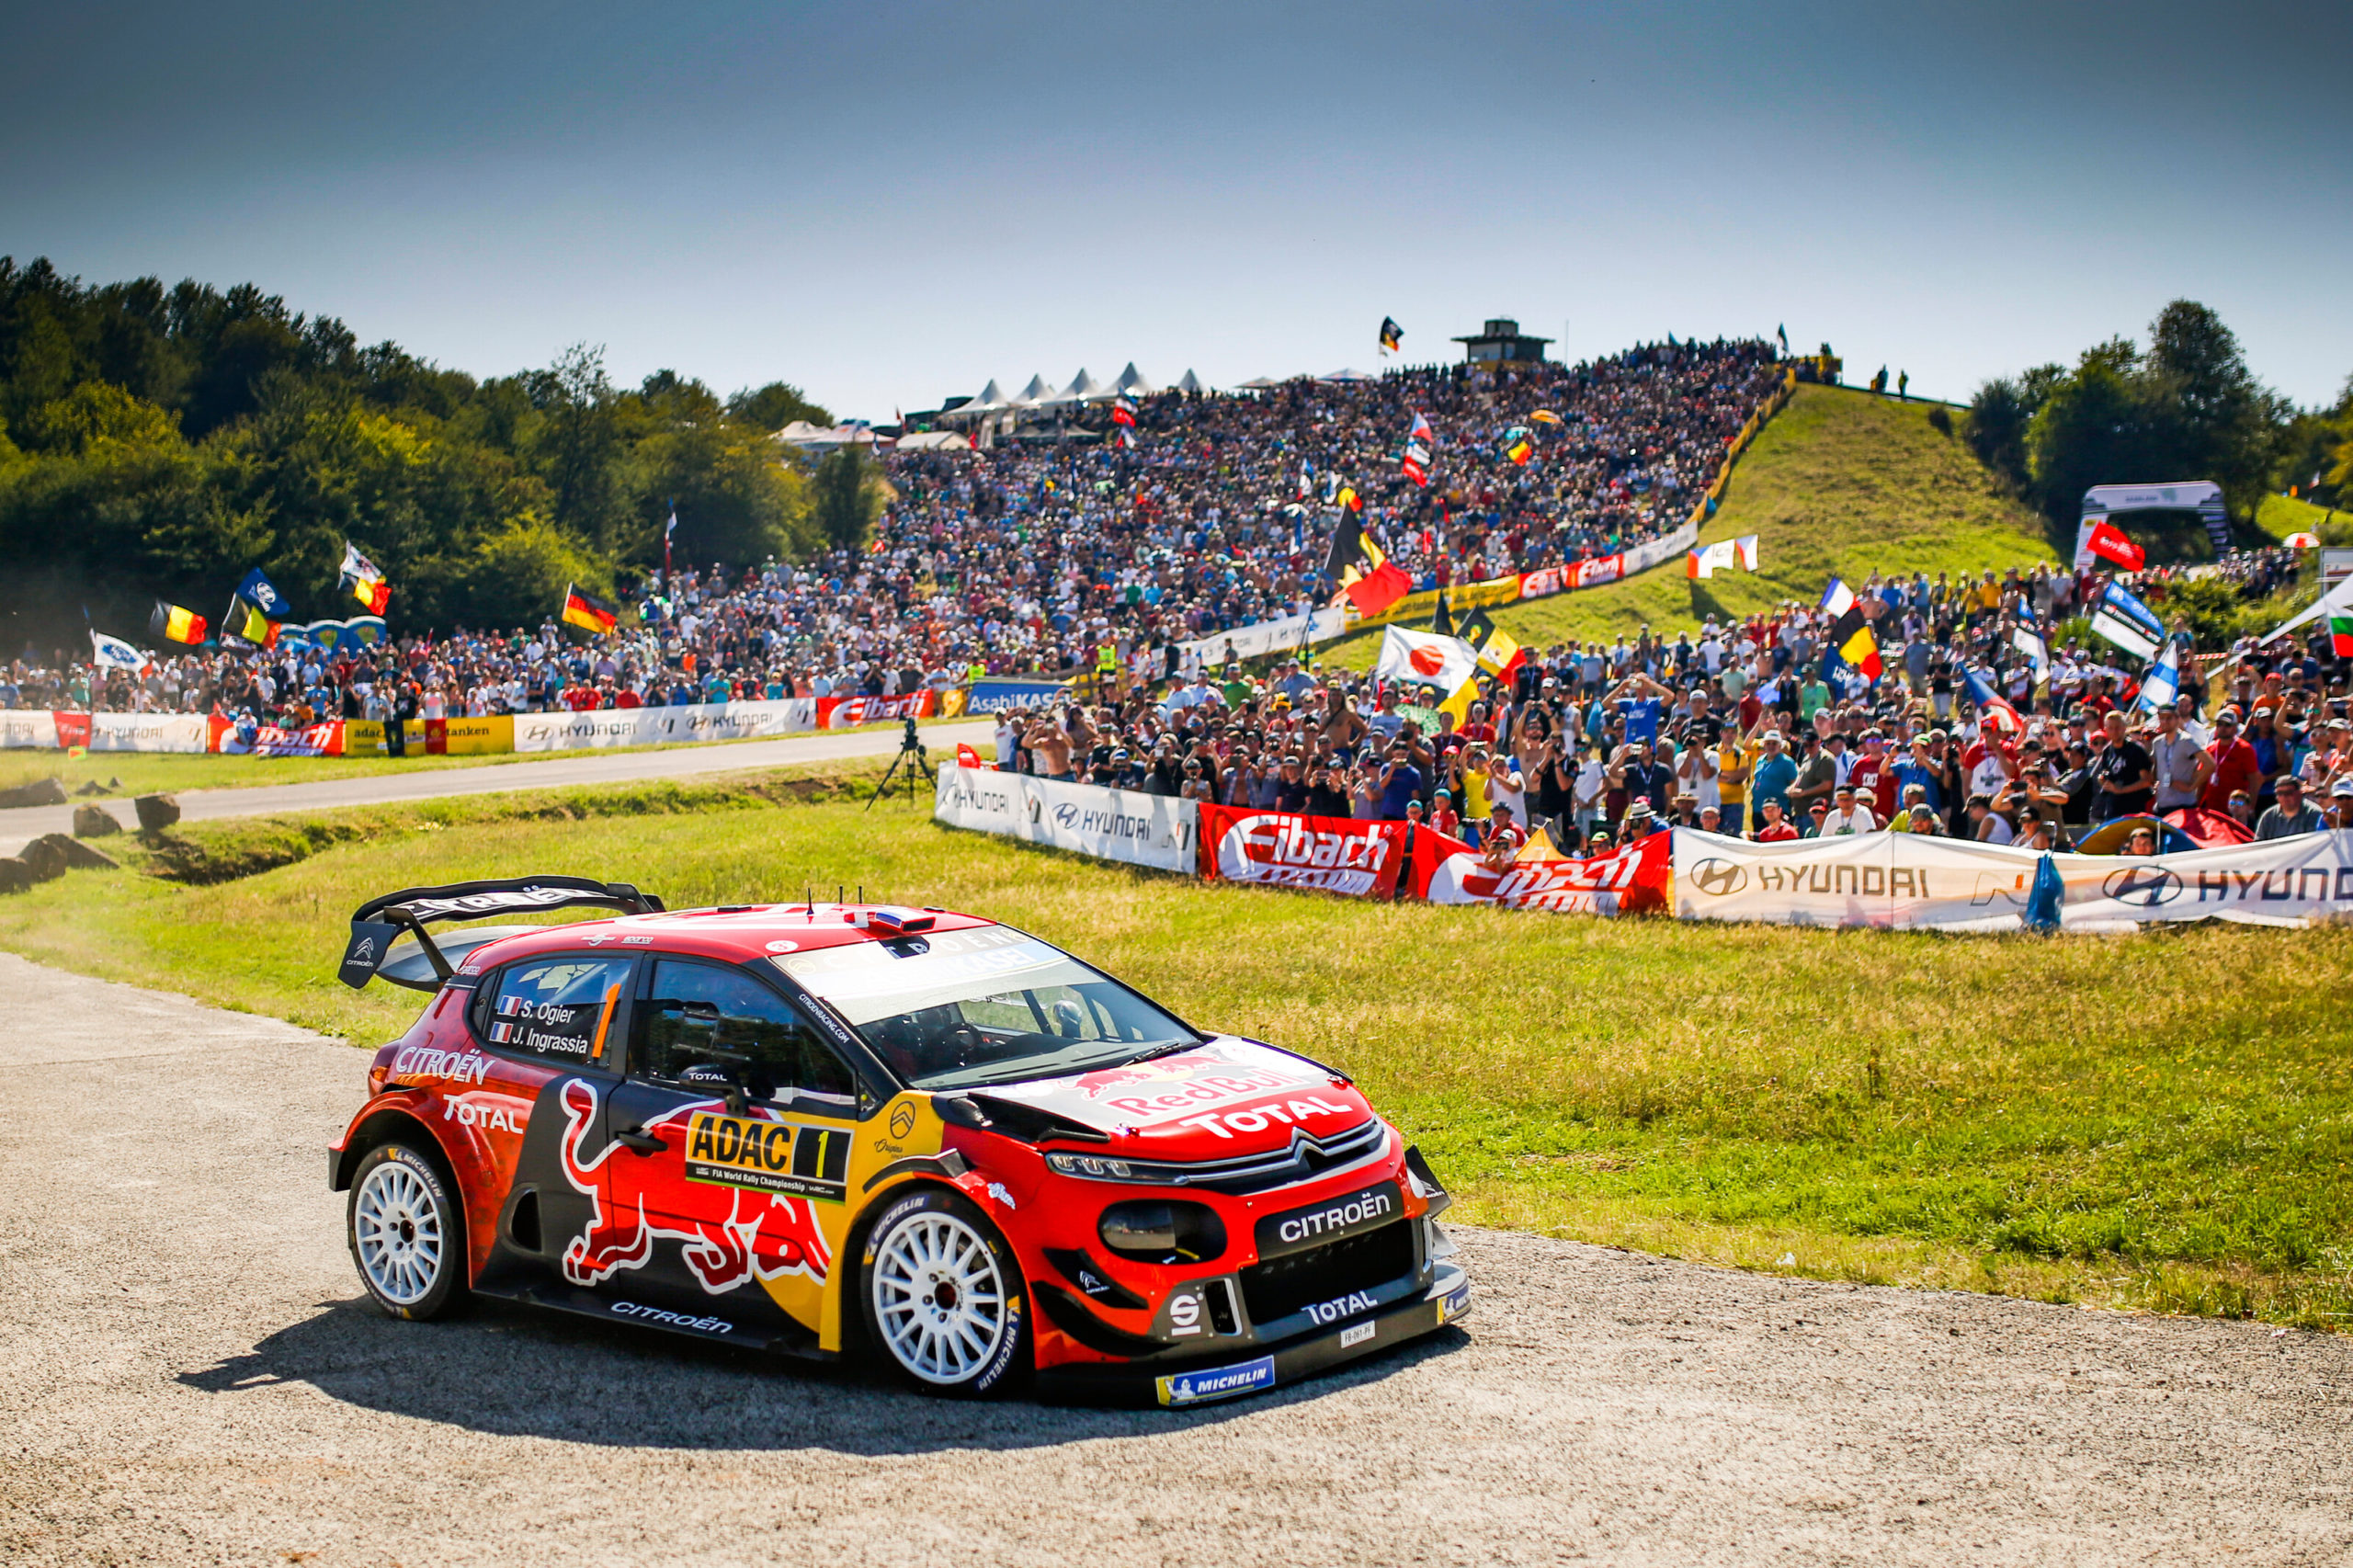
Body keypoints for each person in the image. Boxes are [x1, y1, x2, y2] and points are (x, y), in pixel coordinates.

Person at [2092, 710, 2154, 820]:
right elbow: (2106, 773)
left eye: (2118, 727)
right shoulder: (2107, 751)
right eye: (2110, 728)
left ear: (2125, 728)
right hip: (2113, 809)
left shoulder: (2136, 750)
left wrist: (2122, 789)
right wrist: (2102, 780)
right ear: (2105, 729)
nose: (2114, 731)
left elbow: (2147, 781)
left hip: (2134, 809)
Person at [2255, 775, 2324, 839]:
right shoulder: (2268, 817)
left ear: (2299, 793)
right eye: (2280, 793)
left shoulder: (2314, 814)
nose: (2284, 797)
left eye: (2289, 792)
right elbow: (2259, 845)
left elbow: (2316, 843)